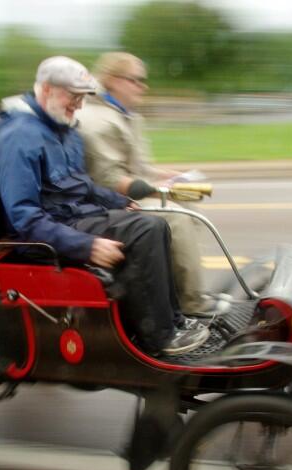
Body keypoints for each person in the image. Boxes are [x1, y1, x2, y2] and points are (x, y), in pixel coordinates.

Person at [0, 56, 209, 356]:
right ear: (46, 90)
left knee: (157, 223)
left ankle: (173, 320)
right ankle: (158, 337)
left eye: (82, 98)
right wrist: (85, 246)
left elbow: (84, 186)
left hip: (75, 218)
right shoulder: (19, 138)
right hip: (50, 233)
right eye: (73, 96)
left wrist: (120, 201)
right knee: (145, 230)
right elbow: (24, 218)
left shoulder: (62, 129)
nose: (78, 105)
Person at [77, 52, 222, 317]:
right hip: (106, 202)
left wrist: (168, 176)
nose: (143, 87)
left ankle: (179, 289)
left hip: (126, 192)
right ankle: (192, 302)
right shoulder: (98, 121)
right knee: (175, 217)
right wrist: (159, 189)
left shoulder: (124, 115)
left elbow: (138, 167)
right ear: (112, 80)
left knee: (188, 206)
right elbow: (109, 179)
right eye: (136, 80)